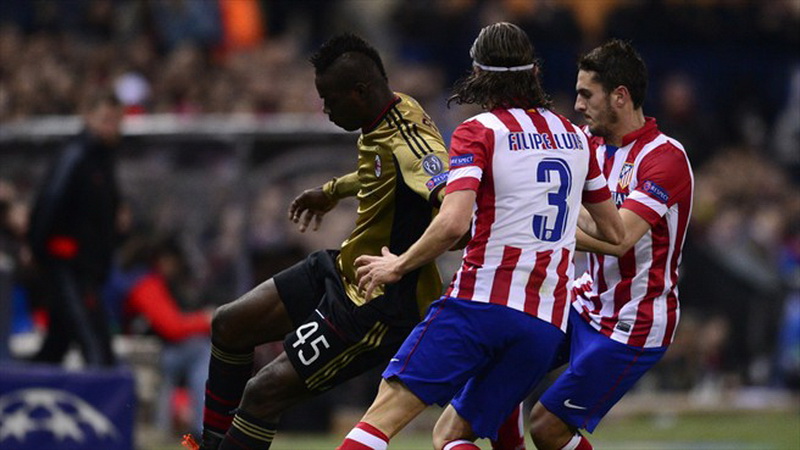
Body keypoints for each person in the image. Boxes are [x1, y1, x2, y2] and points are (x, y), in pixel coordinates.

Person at [337, 22, 623, 450]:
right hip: (543, 324)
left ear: (478, 74)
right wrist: (553, 234)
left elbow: (454, 223)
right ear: (534, 73)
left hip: (480, 307)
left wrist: (397, 264)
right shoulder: (574, 138)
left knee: (381, 418)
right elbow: (614, 231)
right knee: (454, 435)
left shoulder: (479, 131)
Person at [189, 33, 452, 450]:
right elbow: (382, 173)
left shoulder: (412, 142)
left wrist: (414, 255)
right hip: (341, 268)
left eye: (330, 100)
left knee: (263, 392)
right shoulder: (388, 113)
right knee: (229, 324)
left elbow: (453, 203)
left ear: (360, 91)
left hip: (376, 302)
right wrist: (332, 191)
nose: (325, 109)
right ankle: (209, 445)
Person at [528, 40, 694, 450]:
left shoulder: (665, 158)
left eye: (587, 94)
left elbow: (619, 239)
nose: (578, 104)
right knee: (502, 369)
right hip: (585, 301)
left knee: (547, 427)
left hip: (634, 321)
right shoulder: (586, 144)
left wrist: (558, 224)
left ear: (620, 96)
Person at [27, 91, 124, 367]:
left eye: (116, 121)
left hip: (86, 268)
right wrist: (38, 249)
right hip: (69, 266)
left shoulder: (103, 161)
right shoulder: (77, 156)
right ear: (88, 117)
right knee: (96, 348)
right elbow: (50, 202)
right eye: (105, 119)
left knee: (54, 347)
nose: (112, 127)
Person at [103, 234, 212, 436]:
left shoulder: (138, 277)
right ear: (165, 259)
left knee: (196, 349)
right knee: (201, 349)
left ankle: (183, 428)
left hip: (140, 350)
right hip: (133, 353)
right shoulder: (144, 283)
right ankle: (201, 429)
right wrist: (207, 320)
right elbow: (172, 327)